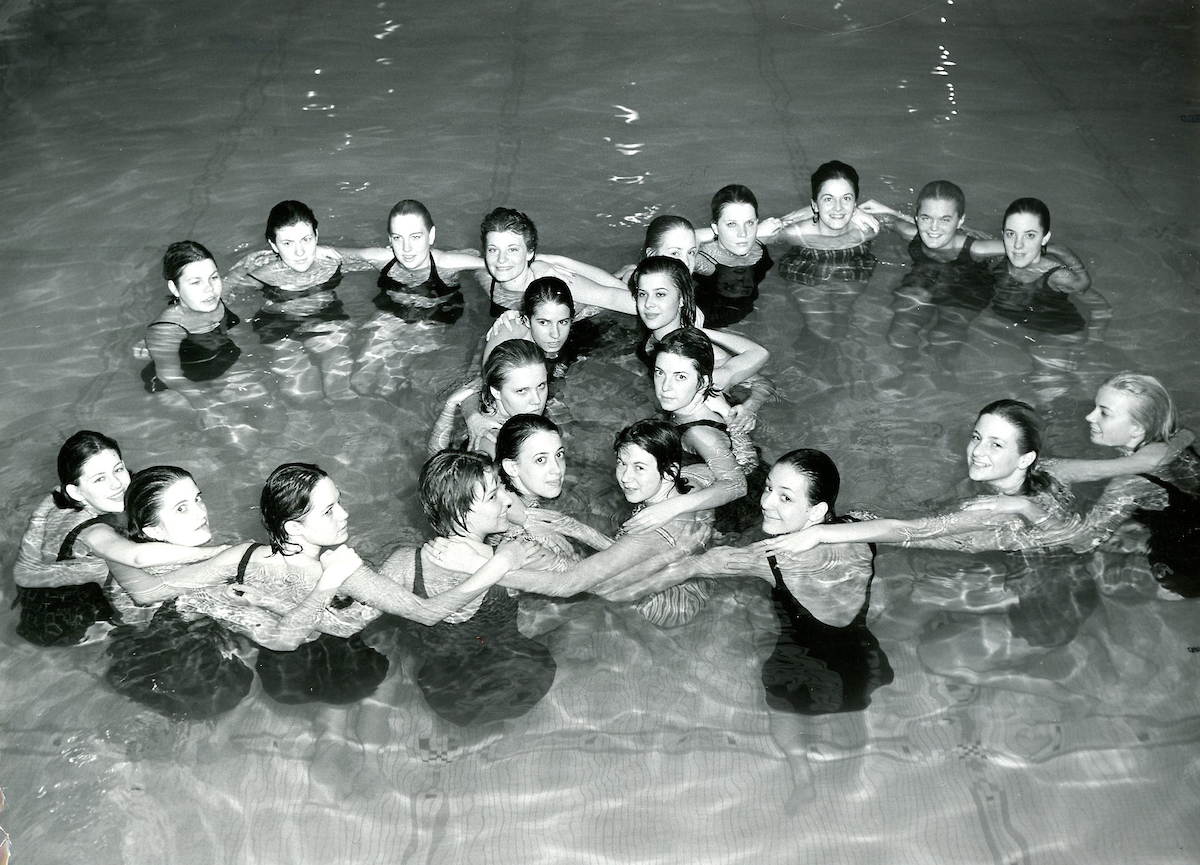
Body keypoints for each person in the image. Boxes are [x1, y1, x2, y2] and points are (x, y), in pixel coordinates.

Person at [603, 449, 894, 803]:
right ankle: (861, 778)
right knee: (854, 719)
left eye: (785, 497)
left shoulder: (766, 559)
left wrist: (683, 554)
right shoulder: (859, 530)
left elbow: (644, 584)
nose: (767, 502)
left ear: (816, 511)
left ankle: (801, 773)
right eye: (769, 488)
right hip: (859, 660)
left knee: (783, 708)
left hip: (800, 664)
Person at [173, 463, 523, 704]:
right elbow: (427, 614)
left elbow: (163, 590)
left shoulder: (242, 558)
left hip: (280, 677)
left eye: (339, 502)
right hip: (345, 669)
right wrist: (497, 567)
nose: (345, 514)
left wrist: (239, 603)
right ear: (293, 527)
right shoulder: (347, 570)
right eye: (329, 511)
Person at [429, 420, 716, 627]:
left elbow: (592, 583)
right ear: (510, 466)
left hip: (663, 596)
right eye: (541, 460)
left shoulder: (487, 491)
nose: (557, 470)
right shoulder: (695, 480)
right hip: (661, 589)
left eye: (559, 454)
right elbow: (593, 582)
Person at [968, 374, 1199, 599]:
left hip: (1183, 564)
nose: (1090, 417)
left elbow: (1083, 542)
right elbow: (1186, 435)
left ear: (1138, 428)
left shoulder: (1131, 482)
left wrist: (1024, 506)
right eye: (1095, 407)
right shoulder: (1170, 441)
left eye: (1104, 413)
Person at [12, 431, 227, 646]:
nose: (116, 484)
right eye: (99, 479)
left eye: (118, 469)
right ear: (76, 492)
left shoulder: (64, 499)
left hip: (40, 597)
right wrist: (218, 553)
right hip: (70, 623)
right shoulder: (92, 532)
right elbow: (137, 557)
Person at [102, 466, 255, 719]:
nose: (200, 513)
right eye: (181, 508)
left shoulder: (145, 553)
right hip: (169, 662)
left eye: (198, 498)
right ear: (154, 531)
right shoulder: (160, 569)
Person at [140, 241, 271, 441]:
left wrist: (248, 264)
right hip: (179, 382)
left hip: (218, 362)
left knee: (268, 407)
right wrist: (205, 405)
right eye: (195, 282)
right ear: (175, 288)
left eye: (213, 277)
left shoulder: (218, 299)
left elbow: (233, 279)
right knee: (234, 433)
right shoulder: (167, 328)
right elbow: (170, 376)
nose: (209, 289)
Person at [858, 182, 996, 366]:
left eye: (945, 219)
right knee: (898, 335)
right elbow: (883, 218)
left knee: (943, 342)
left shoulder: (978, 249)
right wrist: (889, 212)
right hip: (927, 276)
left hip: (967, 286)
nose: (933, 228)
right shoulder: (911, 233)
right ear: (916, 217)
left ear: (960, 221)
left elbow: (1024, 248)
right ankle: (909, 367)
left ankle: (943, 374)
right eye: (926, 218)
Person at [631, 256, 773, 433]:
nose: (648, 304)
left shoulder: (695, 351)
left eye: (660, 294)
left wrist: (751, 407)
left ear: (682, 299)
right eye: (642, 294)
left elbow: (762, 382)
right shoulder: (655, 333)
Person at [231, 200, 354, 400]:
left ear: (317, 236)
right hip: (277, 322)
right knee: (303, 393)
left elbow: (375, 257)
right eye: (288, 243)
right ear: (273, 245)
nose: (300, 252)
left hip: (326, 313)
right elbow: (225, 294)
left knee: (340, 381)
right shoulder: (263, 274)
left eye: (306, 240)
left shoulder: (331, 262)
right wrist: (240, 270)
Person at [637, 328, 752, 535]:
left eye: (680, 377)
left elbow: (737, 485)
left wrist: (669, 508)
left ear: (704, 382)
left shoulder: (699, 434)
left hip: (724, 525)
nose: (665, 387)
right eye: (659, 372)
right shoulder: (689, 406)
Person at [774, 161, 880, 345]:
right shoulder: (795, 234)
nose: (838, 207)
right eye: (828, 199)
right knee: (821, 330)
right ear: (815, 205)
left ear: (855, 203)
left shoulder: (867, 230)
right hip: (806, 271)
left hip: (852, 267)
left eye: (846, 198)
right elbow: (751, 236)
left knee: (840, 327)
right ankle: (808, 358)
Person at [476, 207, 636, 319]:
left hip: (592, 320)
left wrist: (555, 260)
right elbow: (450, 261)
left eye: (512, 250)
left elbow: (611, 298)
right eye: (493, 249)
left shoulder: (552, 281)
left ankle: (626, 278)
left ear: (530, 252)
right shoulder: (487, 276)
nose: (501, 259)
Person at [429, 339, 549, 457]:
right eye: (522, 391)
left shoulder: (490, 396)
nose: (537, 400)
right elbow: (436, 462)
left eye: (541, 386)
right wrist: (451, 405)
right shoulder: (491, 441)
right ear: (496, 392)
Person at [481, 277, 597, 382]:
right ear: (526, 320)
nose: (555, 334)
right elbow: (489, 384)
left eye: (563, 322)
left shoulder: (575, 321)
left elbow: (610, 294)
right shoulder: (508, 338)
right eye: (544, 322)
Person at [692, 185, 774, 327]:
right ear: (715, 227)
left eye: (749, 223)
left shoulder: (760, 243)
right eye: (731, 224)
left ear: (757, 223)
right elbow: (679, 241)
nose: (743, 233)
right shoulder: (703, 262)